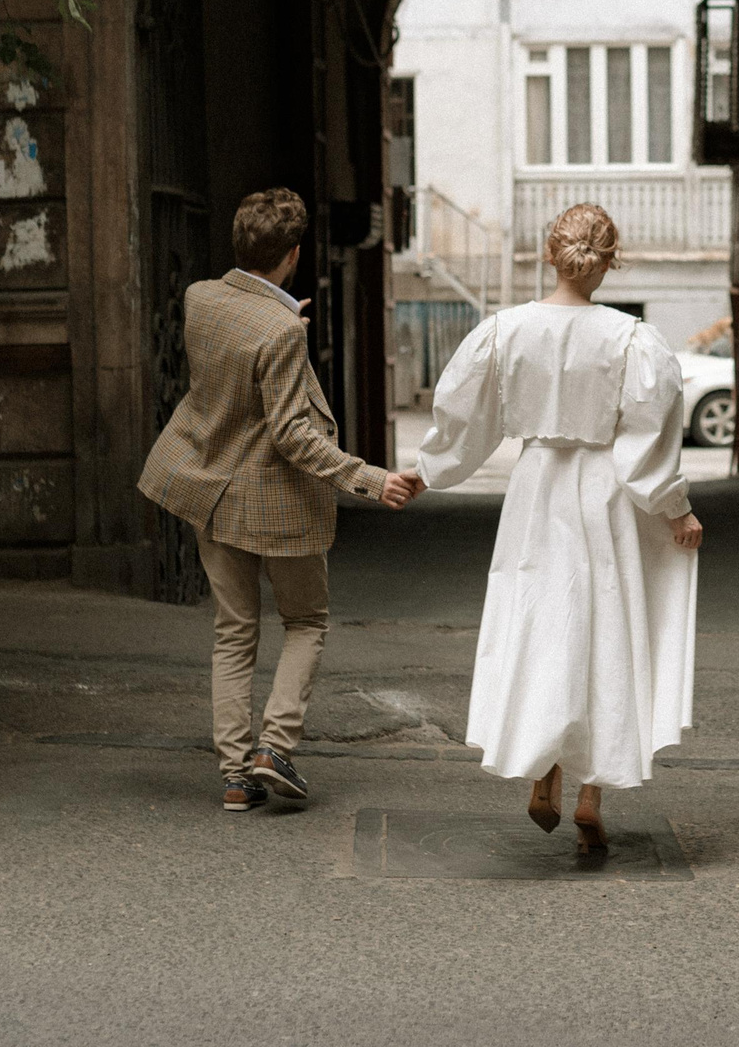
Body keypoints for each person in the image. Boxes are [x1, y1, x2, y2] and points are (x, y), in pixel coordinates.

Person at [417, 202, 704, 850]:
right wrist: (676, 509)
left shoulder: (506, 331)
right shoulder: (631, 340)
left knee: (541, 621)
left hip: (537, 489)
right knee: (602, 627)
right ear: (611, 261)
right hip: (603, 495)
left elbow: (464, 419)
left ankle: (543, 764)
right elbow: (649, 443)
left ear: (551, 253)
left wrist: (427, 471)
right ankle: (591, 793)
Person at [138, 187, 425, 813]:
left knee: (233, 633)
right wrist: (373, 480)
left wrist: (279, 330)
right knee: (306, 622)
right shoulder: (280, 333)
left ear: (240, 244)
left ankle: (236, 778)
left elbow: (239, 348)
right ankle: (275, 747)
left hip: (208, 487)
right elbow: (293, 434)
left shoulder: (201, 300)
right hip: (273, 504)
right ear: (293, 256)